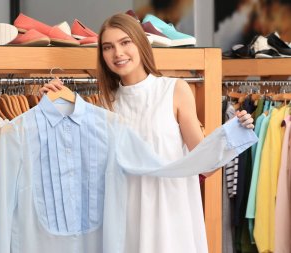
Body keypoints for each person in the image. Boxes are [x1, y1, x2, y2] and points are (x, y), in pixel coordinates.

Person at [40, 13, 254, 253]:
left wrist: (236, 132)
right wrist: (59, 105)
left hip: (170, 215)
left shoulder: (175, 90)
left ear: (140, 43)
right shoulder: (105, 105)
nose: (118, 53)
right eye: (108, 47)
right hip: (127, 217)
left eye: (125, 42)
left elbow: (204, 164)